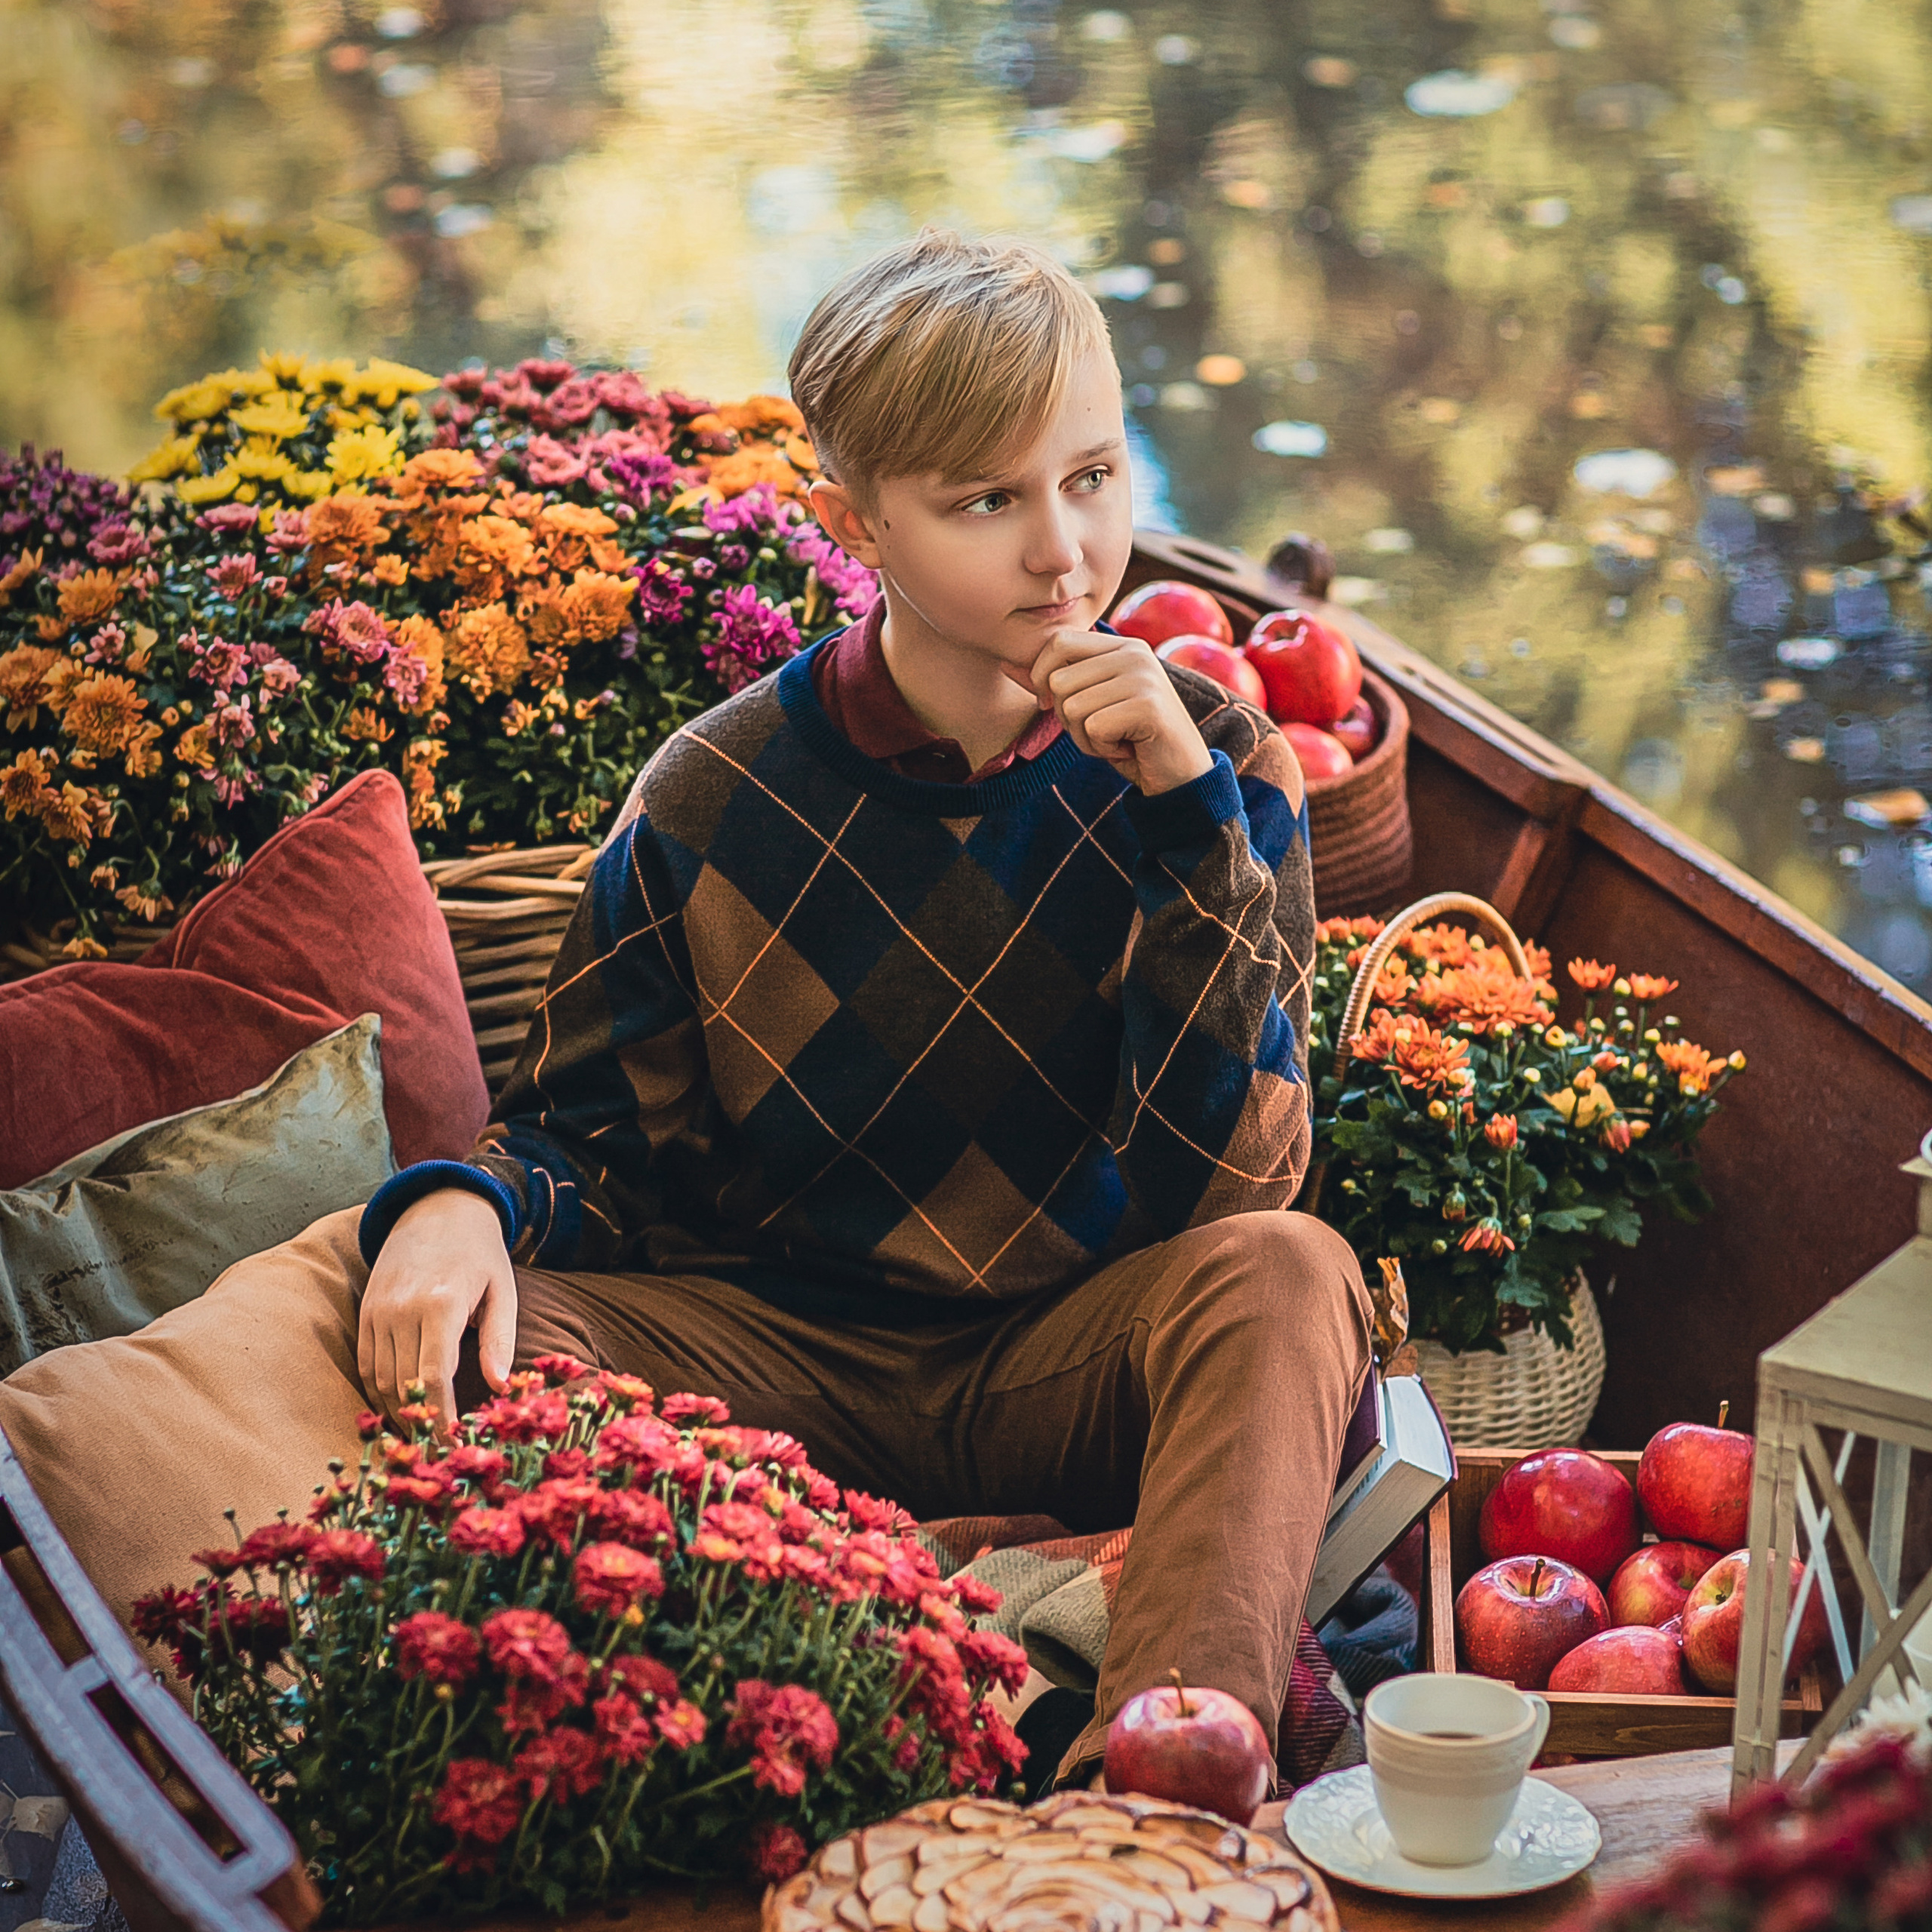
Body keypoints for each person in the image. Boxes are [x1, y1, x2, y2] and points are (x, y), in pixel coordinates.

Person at [7, 230, 1370, 1795]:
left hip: (1073, 1362)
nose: (1063, 553)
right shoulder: (713, 793)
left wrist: (1185, 826)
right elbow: (592, 1141)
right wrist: (461, 1205)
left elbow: (1234, 1187)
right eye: (985, 502)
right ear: (853, 521)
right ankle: (803, 1677)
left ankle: (1155, 1800)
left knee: (1291, 1274)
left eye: (1091, 477)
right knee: (470, 1313)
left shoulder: (1219, 763)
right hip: (783, 1365)